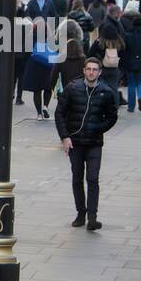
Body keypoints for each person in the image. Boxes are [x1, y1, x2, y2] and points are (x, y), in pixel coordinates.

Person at [54, 56, 119, 231]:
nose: (91, 72)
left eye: (94, 70)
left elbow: (112, 116)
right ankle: (80, 213)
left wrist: (99, 128)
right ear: (84, 71)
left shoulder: (106, 92)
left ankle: (92, 217)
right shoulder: (72, 89)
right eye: (88, 69)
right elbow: (59, 113)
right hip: (75, 142)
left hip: (94, 142)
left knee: (92, 178)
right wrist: (65, 137)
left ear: (100, 72)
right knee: (77, 178)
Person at [22, 17, 56, 120]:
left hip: (35, 65)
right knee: (48, 88)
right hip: (47, 65)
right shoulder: (50, 38)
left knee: (37, 90)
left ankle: (39, 114)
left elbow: (25, 51)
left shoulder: (32, 37)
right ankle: (45, 106)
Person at [121, 11, 141, 113]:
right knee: (140, 83)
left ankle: (131, 106)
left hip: (130, 62)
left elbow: (123, 49)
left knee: (131, 84)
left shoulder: (127, 35)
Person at [90, 18, 125, 106]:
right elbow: (124, 55)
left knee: (100, 88)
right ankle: (114, 107)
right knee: (114, 89)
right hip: (115, 69)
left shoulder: (99, 43)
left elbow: (90, 54)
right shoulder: (119, 43)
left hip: (101, 69)